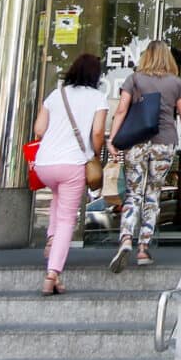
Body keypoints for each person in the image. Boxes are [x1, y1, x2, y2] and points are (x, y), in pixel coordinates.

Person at [105, 39, 181, 272]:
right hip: (164, 142)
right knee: (153, 194)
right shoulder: (176, 83)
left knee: (133, 193)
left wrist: (112, 140)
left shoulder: (134, 79)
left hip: (136, 142)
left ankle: (126, 238)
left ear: (146, 56)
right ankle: (143, 248)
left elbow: (121, 110)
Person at [32, 53, 109, 295]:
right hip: (73, 164)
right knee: (67, 219)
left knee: (57, 198)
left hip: (44, 164)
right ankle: (52, 272)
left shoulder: (57, 94)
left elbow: (39, 129)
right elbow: (97, 133)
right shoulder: (98, 97)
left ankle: (52, 238)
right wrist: (95, 153)